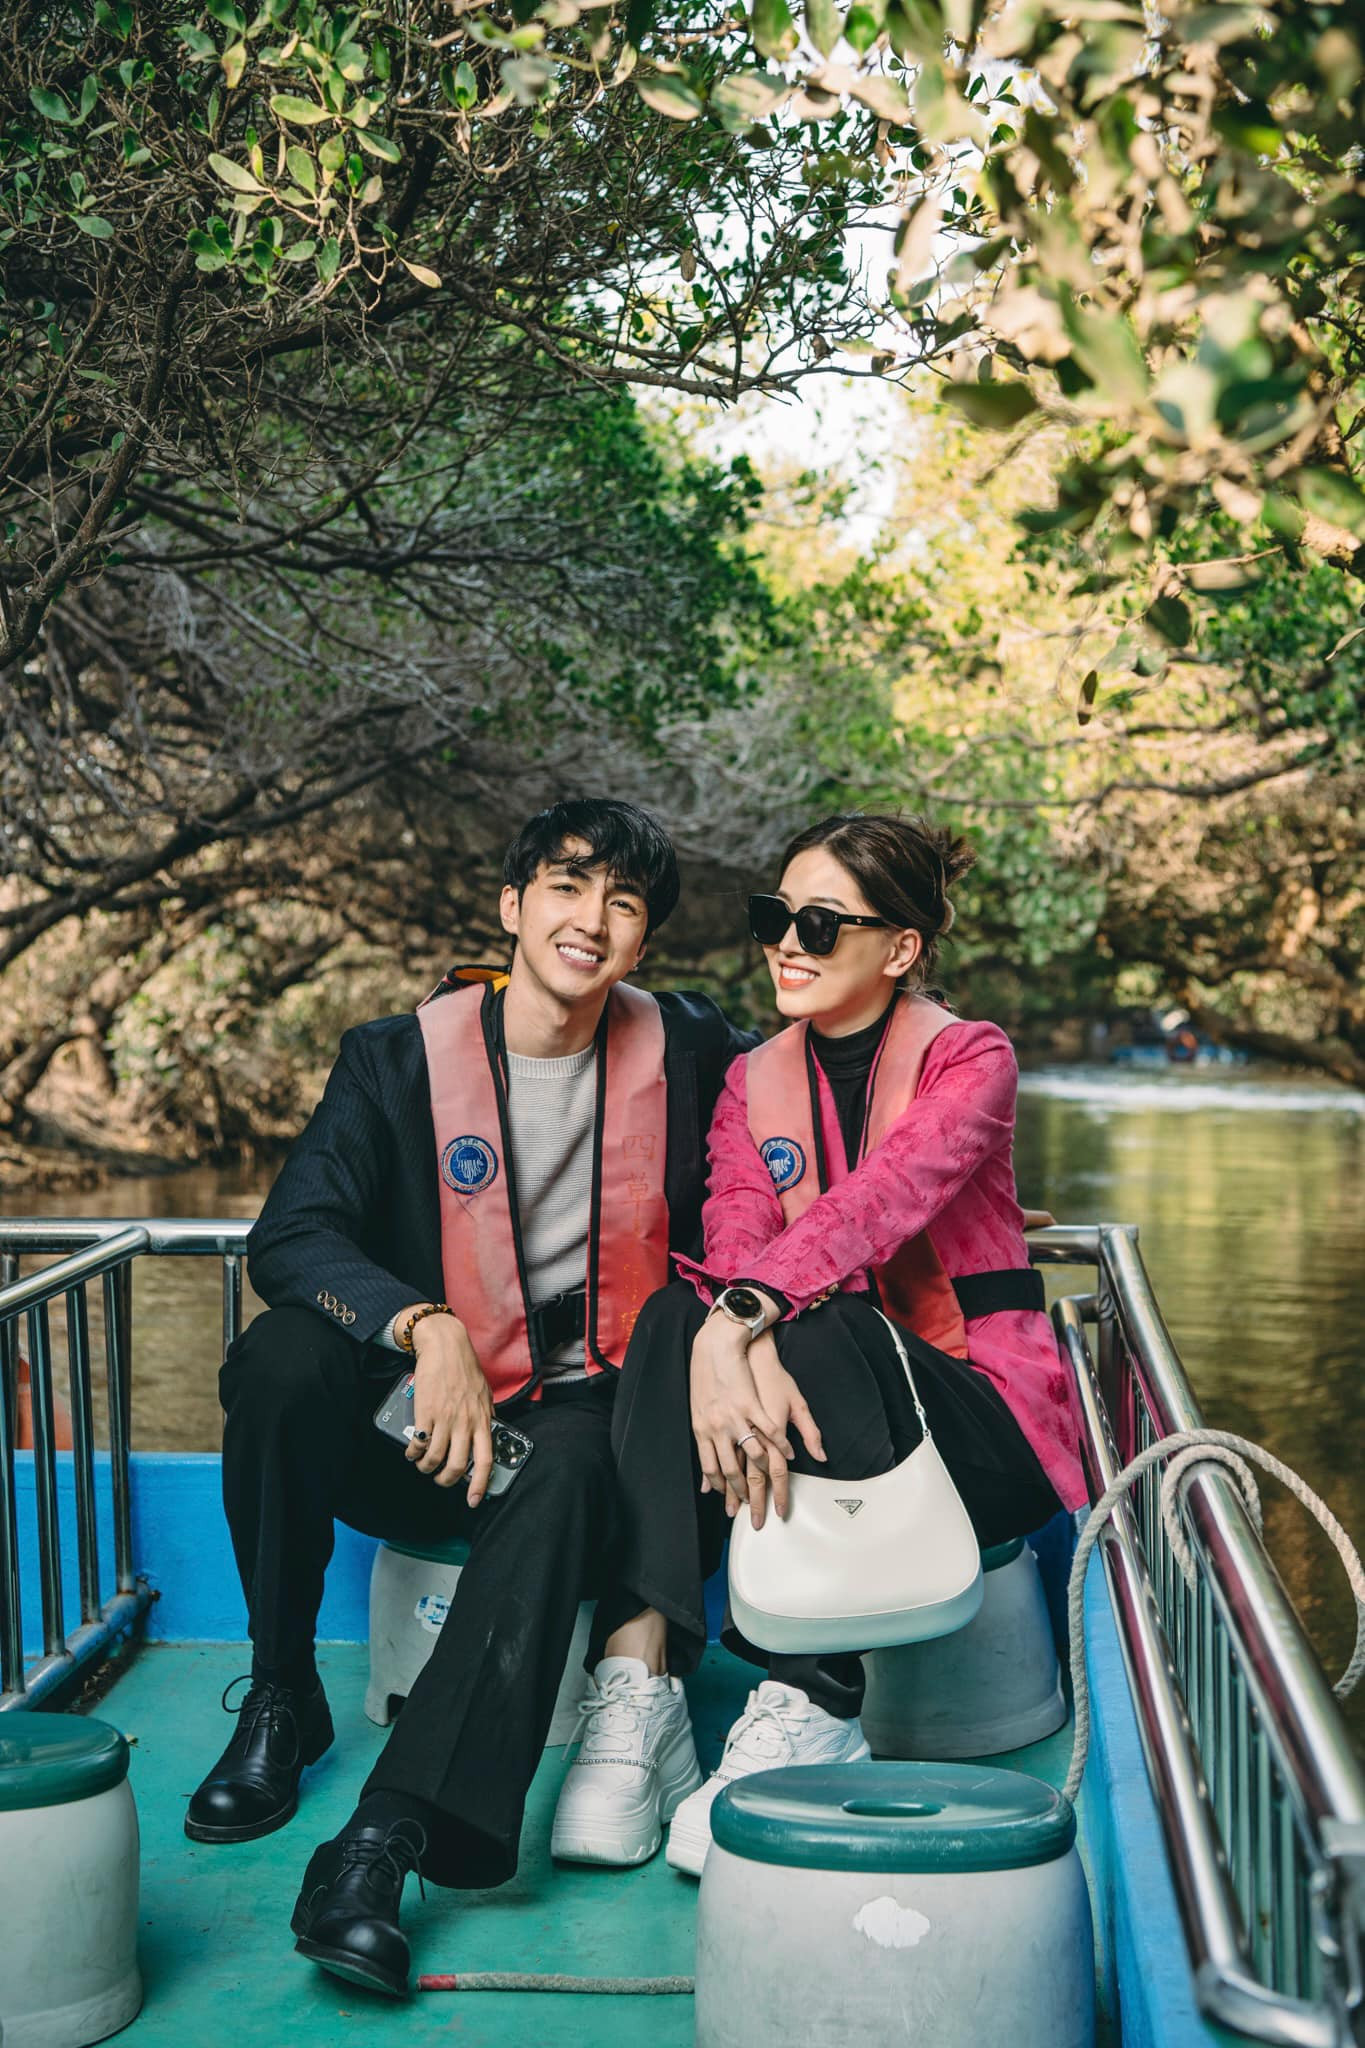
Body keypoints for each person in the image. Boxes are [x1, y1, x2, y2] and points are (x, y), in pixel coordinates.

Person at [185, 798, 754, 1996]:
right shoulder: (393, 1058)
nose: (591, 919)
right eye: (566, 885)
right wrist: (419, 1323)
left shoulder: (693, 1048)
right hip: (418, 1416)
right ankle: (283, 1691)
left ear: (644, 938)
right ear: (511, 906)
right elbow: (290, 1235)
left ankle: (377, 1841)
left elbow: (824, 1089)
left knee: (573, 1467)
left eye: (624, 901)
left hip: (577, 1426)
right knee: (283, 1357)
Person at [556, 812, 1088, 1876]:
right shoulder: (752, 1081)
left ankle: (814, 1699)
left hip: (981, 1435)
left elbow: (882, 1201)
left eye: (820, 923)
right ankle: (641, 1685)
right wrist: (728, 1330)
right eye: (775, 917)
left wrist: (747, 1315)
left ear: (899, 948)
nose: (786, 945)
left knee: (822, 1318)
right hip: (814, 1404)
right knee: (671, 1316)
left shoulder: (971, 1057)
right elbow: (738, 1222)